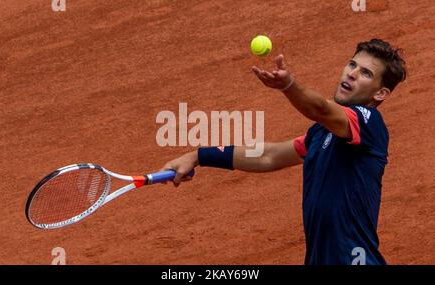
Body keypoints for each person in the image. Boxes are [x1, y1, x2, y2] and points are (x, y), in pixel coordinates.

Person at [160, 39, 407, 265]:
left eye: (365, 73)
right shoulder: (321, 133)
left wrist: (288, 85)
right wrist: (199, 156)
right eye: (352, 64)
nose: (352, 73)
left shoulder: (369, 123)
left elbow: (320, 108)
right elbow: (271, 155)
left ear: (380, 93)